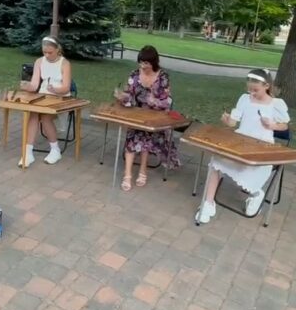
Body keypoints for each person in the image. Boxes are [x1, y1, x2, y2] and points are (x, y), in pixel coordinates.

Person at [196, 69, 290, 224]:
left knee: (252, 168)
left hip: (261, 145)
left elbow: (284, 126)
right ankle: (208, 203)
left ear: (266, 85)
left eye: (256, 90)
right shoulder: (245, 99)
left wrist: (272, 124)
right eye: (249, 89)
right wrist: (227, 121)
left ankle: (256, 193)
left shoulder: (276, 104)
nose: (252, 93)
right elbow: (234, 122)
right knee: (216, 162)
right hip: (240, 140)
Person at [114, 45, 180, 191]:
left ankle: (143, 170)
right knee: (132, 136)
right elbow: (129, 94)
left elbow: (167, 101)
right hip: (136, 114)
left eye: (146, 63)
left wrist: (154, 102)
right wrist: (122, 96)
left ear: (154, 62)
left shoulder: (163, 77)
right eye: (141, 62)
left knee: (146, 137)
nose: (143, 66)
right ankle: (127, 175)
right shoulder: (134, 74)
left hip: (155, 116)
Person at [18, 36, 72, 167]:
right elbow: (35, 85)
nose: (47, 55)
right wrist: (26, 86)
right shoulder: (39, 62)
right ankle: (28, 152)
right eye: (44, 52)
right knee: (33, 114)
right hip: (43, 96)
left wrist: (55, 89)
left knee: (45, 117)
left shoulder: (65, 63)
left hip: (60, 97)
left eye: (50, 52)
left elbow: (66, 88)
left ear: (57, 50)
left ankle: (55, 150)